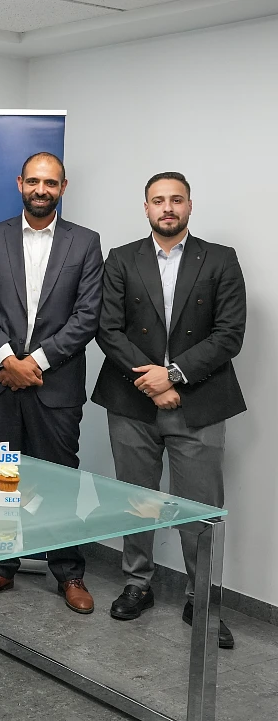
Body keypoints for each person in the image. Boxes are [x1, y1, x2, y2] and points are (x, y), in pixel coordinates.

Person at [93, 172, 245, 649]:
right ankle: (137, 584)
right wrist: (153, 382)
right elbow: (107, 328)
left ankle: (202, 601)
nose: (167, 207)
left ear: (190, 206)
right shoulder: (121, 259)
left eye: (176, 199)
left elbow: (229, 334)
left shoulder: (220, 259)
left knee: (199, 509)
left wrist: (174, 375)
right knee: (136, 499)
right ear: (145, 208)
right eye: (158, 200)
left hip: (198, 403)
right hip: (132, 400)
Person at [0, 152, 103, 615]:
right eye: (34, 182)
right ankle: (0, 567)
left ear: (63, 187)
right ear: (20, 183)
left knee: (60, 480)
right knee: (0, 478)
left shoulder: (85, 242)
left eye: (51, 183)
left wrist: (34, 362)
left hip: (55, 383)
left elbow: (87, 316)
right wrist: (8, 359)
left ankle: (69, 572)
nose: (41, 190)